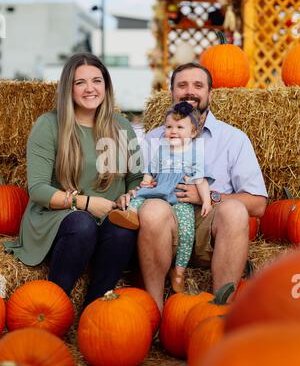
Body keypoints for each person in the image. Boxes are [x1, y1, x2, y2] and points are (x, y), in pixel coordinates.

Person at [4, 53, 142, 307]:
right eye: (80, 83)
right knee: (82, 225)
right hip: (60, 215)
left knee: (123, 231)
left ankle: (94, 309)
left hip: (109, 215)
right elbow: (38, 190)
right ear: (69, 88)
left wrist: (130, 195)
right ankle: (54, 305)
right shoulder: (49, 126)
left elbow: (137, 178)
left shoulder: (122, 126)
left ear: (106, 86)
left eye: (97, 81)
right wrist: (86, 203)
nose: (90, 88)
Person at [137, 63, 268, 313]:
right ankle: (154, 312)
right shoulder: (153, 139)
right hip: (167, 230)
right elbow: (140, 185)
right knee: (152, 208)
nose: (190, 91)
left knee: (235, 211)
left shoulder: (233, 139)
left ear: (210, 94)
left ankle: (220, 311)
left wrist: (209, 196)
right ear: (171, 93)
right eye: (182, 85)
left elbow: (259, 204)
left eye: (198, 86)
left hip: (213, 230)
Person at [108, 101, 213, 293]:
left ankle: (179, 272)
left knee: (187, 232)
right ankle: (128, 214)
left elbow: (201, 181)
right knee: (138, 198)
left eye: (180, 127)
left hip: (179, 197)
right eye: (169, 127)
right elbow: (150, 172)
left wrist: (206, 200)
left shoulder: (195, 153)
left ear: (193, 132)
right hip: (158, 192)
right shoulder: (161, 150)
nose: (173, 131)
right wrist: (146, 181)